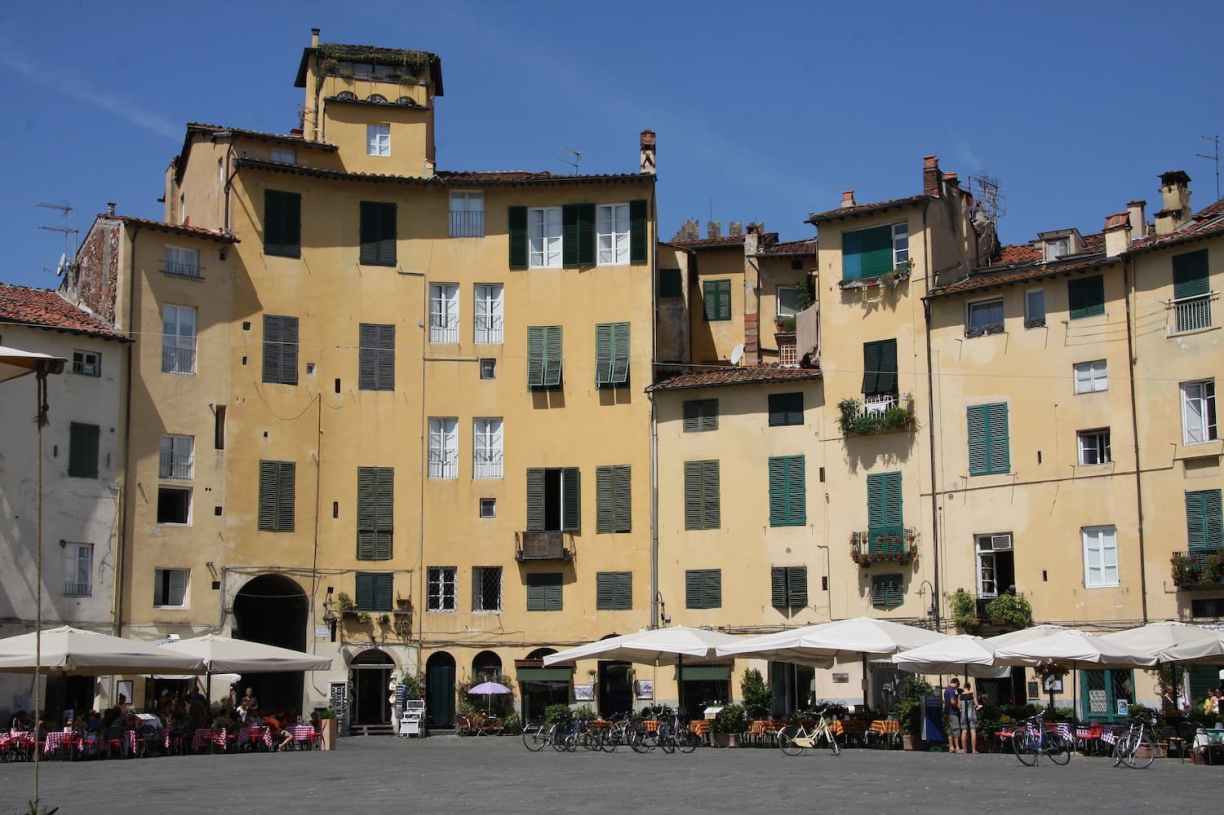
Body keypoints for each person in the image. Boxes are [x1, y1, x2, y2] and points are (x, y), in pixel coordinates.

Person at [960, 681, 980, 754]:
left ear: (964, 687)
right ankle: (974, 750)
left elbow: (959, 706)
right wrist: (977, 706)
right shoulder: (972, 694)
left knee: (964, 731)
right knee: (973, 730)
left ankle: (964, 750)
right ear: (969, 687)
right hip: (971, 713)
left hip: (963, 715)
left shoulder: (960, 695)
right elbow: (976, 704)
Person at [943, 678, 962, 753]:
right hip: (953, 713)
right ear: (956, 683)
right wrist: (959, 707)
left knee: (950, 731)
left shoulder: (946, 690)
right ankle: (957, 747)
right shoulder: (952, 690)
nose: (957, 688)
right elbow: (952, 701)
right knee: (956, 730)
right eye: (957, 686)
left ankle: (951, 747)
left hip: (947, 713)